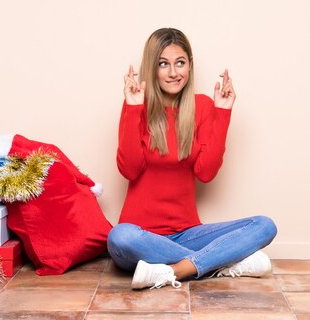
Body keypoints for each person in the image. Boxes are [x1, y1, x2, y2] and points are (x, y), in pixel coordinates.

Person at [108, 28, 277, 290]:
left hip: (188, 234)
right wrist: (132, 108)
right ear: (151, 68)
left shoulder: (202, 106)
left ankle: (176, 270)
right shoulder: (137, 104)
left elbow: (206, 173)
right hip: (141, 238)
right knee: (119, 236)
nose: (173, 72)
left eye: (180, 63)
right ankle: (218, 263)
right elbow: (129, 169)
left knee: (264, 226)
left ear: (190, 65)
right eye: (163, 64)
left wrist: (222, 113)